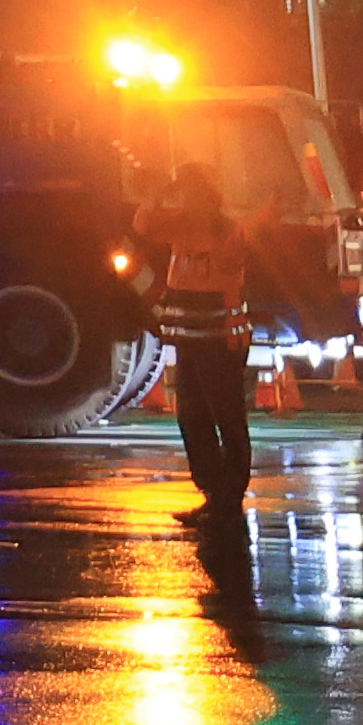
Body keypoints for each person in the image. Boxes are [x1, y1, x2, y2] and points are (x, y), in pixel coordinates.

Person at [137, 160, 256, 526]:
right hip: (190, 343)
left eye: (189, 192)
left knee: (227, 418)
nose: (185, 200)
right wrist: (158, 193)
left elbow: (229, 259)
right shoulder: (180, 227)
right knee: (192, 418)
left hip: (221, 344)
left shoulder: (226, 231)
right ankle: (211, 491)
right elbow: (142, 225)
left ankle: (229, 495)